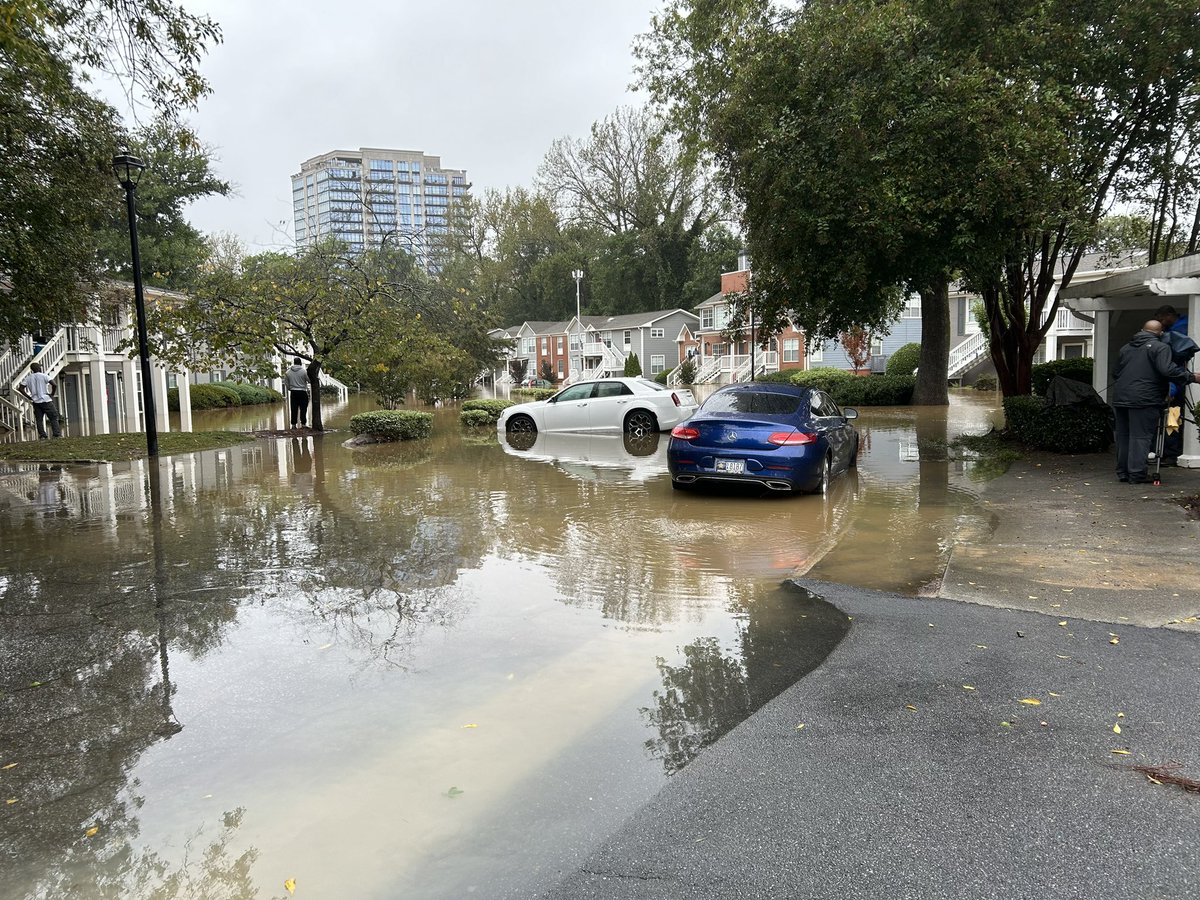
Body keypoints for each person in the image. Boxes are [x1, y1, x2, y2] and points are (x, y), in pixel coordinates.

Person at [1111, 320, 1200, 484]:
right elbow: (1167, 370)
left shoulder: (1126, 348)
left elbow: (1116, 373)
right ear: (1160, 333)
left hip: (1121, 398)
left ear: (1141, 330)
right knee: (1140, 436)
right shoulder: (1161, 347)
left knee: (1124, 436)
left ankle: (1123, 472)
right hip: (1145, 399)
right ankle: (1137, 474)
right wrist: (1191, 377)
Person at [18, 362, 62, 439]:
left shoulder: (28, 378)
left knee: (39, 419)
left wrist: (28, 397)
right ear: (39, 368)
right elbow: (54, 384)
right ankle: (56, 434)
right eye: (40, 367)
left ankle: (42, 435)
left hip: (36, 401)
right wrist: (52, 394)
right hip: (46, 400)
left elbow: (21, 388)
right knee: (53, 417)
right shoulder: (44, 376)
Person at [285, 357, 310, 429]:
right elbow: (308, 380)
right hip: (302, 391)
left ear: (294, 363)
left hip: (293, 392)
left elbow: (286, 383)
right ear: (300, 363)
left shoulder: (288, 372)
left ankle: (293, 425)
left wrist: (290, 388)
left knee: (293, 409)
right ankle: (303, 424)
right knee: (303, 409)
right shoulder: (304, 371)